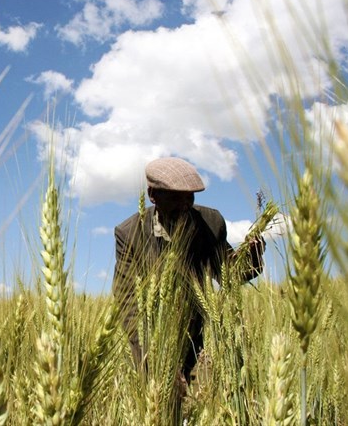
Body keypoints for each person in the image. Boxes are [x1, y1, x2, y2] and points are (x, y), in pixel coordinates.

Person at [112, 157, 265, 383]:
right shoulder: (129, 234)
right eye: (175, 197)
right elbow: (127, 301)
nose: (185, 205)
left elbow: (229, 274)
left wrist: (251, 258)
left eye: (189, 197)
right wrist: (155, 359)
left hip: (198, 339)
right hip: (150, 343)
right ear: (153, 195)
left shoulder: (210, 222)